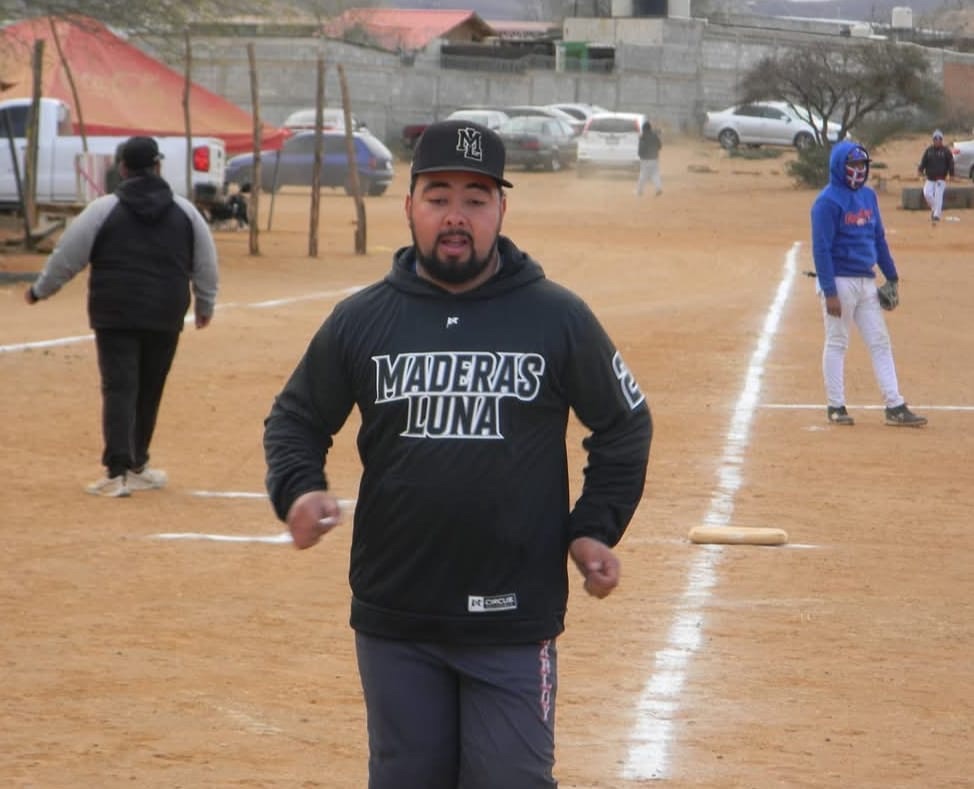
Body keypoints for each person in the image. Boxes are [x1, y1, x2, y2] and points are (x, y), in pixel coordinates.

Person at [263, 119, 652, 788]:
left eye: (475, 199)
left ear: (501, 211)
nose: (456, 216)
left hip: (512, 615)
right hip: (397, 614)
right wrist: (299, 488)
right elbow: (296, 417)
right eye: (438, 196)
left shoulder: (557, 317)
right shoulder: (363, 319)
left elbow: (624, 423)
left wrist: (593, 527)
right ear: (409, 205)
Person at [25, 135, 219, 497]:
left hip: (114, 314)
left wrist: (41, 290)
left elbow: (68, 255)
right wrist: (205, 305)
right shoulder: (186, 212)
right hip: (165, 313)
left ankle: (117, 472)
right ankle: (136, 464)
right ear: (158, 166)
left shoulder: (103, 209)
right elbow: (205, 262)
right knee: (149, 389)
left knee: (119, 388)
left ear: (123, 168)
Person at [811, 140, 926, 428]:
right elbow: (821, 249)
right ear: (840, 166)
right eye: (853, 164)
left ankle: (894, 405)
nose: (859, 170)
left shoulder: (868, 197)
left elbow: (878, 238)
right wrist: (829, 291)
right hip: (840, 281)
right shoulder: (827, 202)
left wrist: (892, 275)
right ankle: (836, 405)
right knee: (838, 341)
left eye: (863, 164)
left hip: (866, 280)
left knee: (879, 341)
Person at [917, 129, 954, 223]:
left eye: (939, 139)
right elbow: (923, 161)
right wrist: (920, 170)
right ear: (933, 140)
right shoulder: (929, 151)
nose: (937, 140)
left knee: (938, 196)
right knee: (927, 193)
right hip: (930, 178)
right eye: (935, 139)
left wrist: (952, 174)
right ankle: (934, 208)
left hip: (940, 178)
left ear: (942, 140)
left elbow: (951, 163)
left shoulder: (946, 151)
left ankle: (936, 215)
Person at [635, 119, 662, 197]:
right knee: (655, 174)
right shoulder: (655, 136)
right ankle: (658, 188)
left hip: (645, 160)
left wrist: (640, 155)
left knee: (643, 175)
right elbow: (660, 146)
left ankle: (639, 191)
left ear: (644, 129)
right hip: (654, 159)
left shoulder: (642, 137)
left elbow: (640, 148)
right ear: (650, 128)